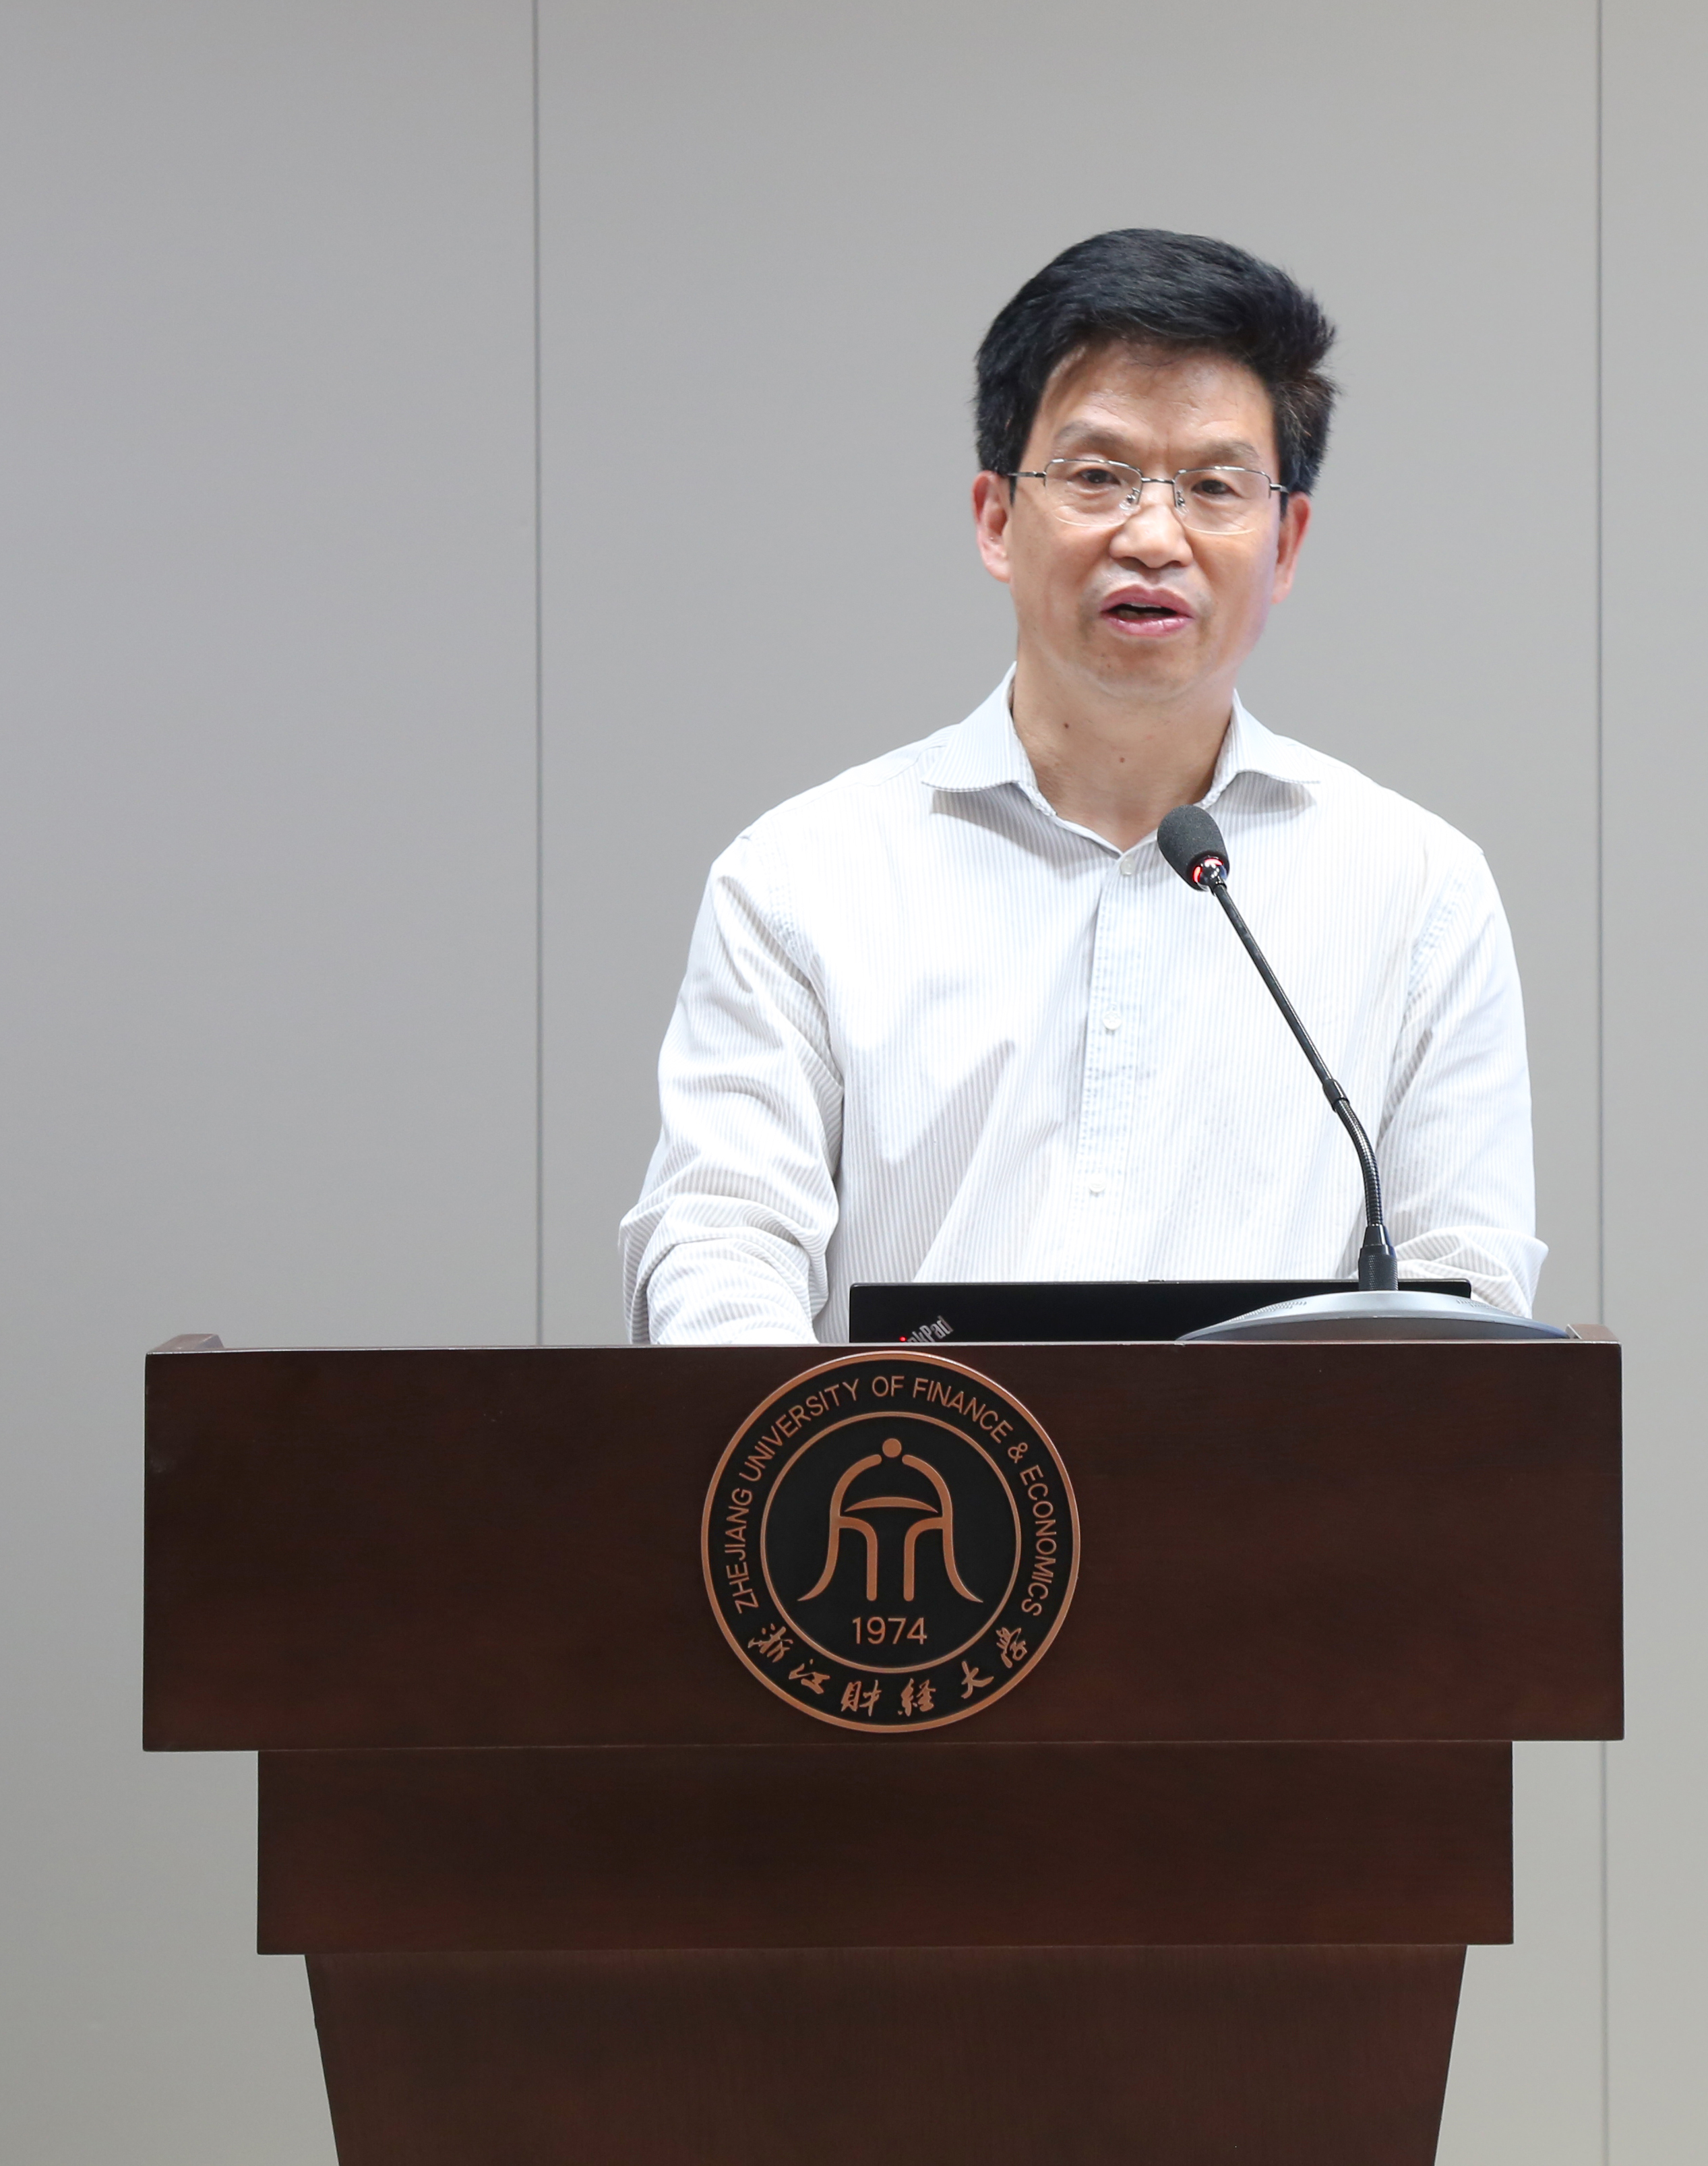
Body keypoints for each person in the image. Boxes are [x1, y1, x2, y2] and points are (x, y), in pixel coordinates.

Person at [621, 229, 1542, 1344]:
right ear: (996, 519)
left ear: (1286, 542)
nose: (1151, 535)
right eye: (1098, 476)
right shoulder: (802, 879)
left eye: (1213, 486)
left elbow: (1463, 1285)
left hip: (1270, 1468)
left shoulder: (1416, 890)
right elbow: (722, 1243)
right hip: (914, 1458)